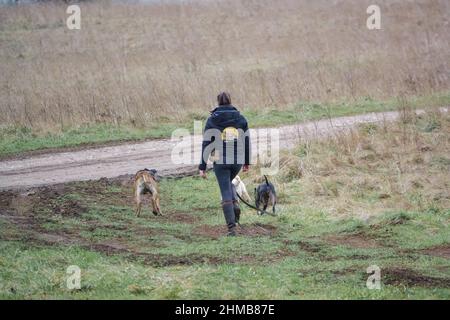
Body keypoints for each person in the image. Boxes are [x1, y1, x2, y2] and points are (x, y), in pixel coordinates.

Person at [199, 92, 251, 236]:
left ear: (218, 102)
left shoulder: (212, 120)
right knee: (228, 184)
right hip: (237, 159)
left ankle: (231, 228)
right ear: (230, 101)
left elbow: (206, 144)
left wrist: (202, 167)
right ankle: (234, 205)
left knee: (225, 190)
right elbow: (246, 141)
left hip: (220, 160)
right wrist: (247, 161)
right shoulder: (240, 118)